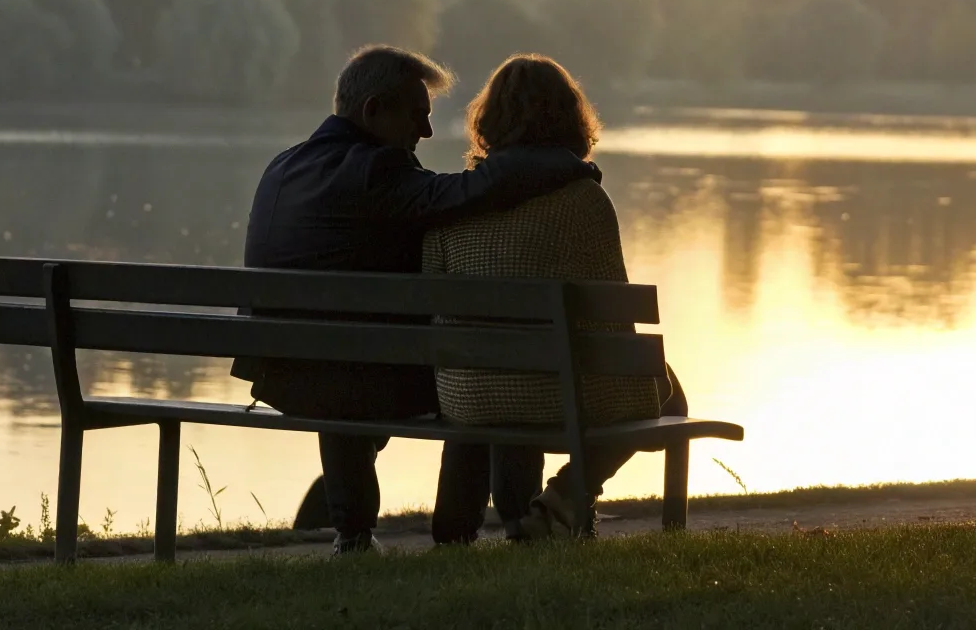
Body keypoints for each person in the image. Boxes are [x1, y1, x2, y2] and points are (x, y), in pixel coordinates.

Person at [232, 45, 600, 555]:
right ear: (374, 110)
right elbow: (470, 192)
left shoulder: (283, 166)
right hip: (351, 379)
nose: (425, 133)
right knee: (493, 366)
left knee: (352, 354)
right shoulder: (375, 170)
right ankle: (493, 526)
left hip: (284, 374)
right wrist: (564, 162)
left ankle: (355, 535)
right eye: (417, 116)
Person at [426, 55, 686, 543]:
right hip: (558, 392)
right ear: (572, 119)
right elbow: (611, 317)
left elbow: (435, 303)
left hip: (469, 392)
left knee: (509, 381)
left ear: (488, 121)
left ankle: (464, 534)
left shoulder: (453, 201)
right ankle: (566, 497)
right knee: (669, 393)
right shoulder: (583, 201)